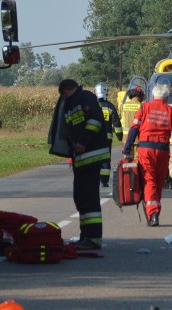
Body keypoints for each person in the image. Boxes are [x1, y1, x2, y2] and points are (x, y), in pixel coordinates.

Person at [122, 83, 172, 226]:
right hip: (163, 150)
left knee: (149, 180)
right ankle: (154, 210)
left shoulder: (144, 107)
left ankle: (153, 213)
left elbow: (134, 128)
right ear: (166, 97)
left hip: (146, 149)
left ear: (153, 95)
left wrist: (127, 149)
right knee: (158, 181)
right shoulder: (171, 111)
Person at [56, 79, 110, 250]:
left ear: (67, 90)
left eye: (64, 94)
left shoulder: (85, 98)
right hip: (81, 158)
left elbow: (95, 121)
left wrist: (82, 141)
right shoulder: (71, 104)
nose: (63, 97)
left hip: (91, 156)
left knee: (89, 197)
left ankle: (94, 238)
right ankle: (85, 236)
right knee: (80, 197)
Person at [95, 82, 123, 188]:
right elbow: (116, 123)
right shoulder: (110, 106)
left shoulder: (93, 105)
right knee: (106, 160)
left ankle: (95, 179)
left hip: (94, 138)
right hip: (107, 139)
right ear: (106, 92)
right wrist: (120, 136)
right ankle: (104, 181)